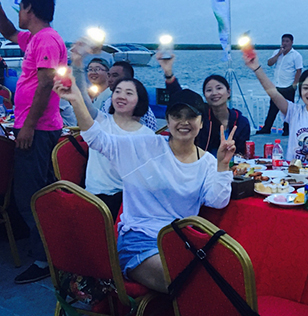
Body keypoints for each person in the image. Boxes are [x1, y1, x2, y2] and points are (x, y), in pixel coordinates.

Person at [54, 75, 236, 294]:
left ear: (201, 122)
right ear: (167, 120)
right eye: (177, 116)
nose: (184, 122)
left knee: (216, 277)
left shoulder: (206, 161)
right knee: (187, 282)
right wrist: (76, 100)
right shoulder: (145, 146)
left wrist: (223, 165)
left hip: (179, 241)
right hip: (139, 239)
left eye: (191, 116)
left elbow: (217, 200)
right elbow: (97, 139)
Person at [0, 0, 67, 284]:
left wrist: (27, 126)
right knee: (34, 190)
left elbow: (45, 84)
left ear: (29, 9)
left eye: (20, 7)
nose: (18, 13)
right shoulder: (35, 39)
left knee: (30, 194)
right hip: (34, 127)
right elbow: (9, 31)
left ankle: (44, 259)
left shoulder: (47, 39)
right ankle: (48, 249)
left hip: (38, 130)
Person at [72, 54, 155, 220]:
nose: (121, 96)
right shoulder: (100, 121)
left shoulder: (147, 135)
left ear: (139, 100)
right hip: (96, 198)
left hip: (129, 199)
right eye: (118, 92)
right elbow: (81, 98)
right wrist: (77, 65)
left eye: (129, 93)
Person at [245, 53, 308, 163]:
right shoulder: (294, 112)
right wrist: (257, 68)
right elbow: (273, 93)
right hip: (291, 171)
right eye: (305, 88)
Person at [156, 51, 250, 156]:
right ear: (204, 95)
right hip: (202, 161)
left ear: (228, 92)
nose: (214, 93)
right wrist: (168, 73)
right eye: (209, 90)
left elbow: (242, 153)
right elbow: (179, 97)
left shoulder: (241, 122)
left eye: (219, 88)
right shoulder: (202, 115)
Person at [256, 33, 303, 136]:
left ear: (291, 42)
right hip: (277, 86)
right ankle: (267, 128)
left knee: (288, 109)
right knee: (273, 108)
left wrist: (294, 85)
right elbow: (269, 63)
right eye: (283, 41)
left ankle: (287, 130)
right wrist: (278, 54)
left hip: (288, 86)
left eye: (287, 41)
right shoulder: (277, 52)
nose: (284, 43)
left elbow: (299, 71)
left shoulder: (296, 55)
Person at [99, 60, 157, 131]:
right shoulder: (108, 101)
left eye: (115, 76)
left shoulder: (139, 106)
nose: (110, 79)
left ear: (128, 78)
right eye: (109, 75)